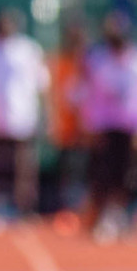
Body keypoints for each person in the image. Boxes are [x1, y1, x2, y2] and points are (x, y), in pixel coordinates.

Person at [79, 10, 137, 242]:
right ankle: (101, 217)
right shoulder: (96, 59)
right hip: (104, 127)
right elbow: (89, 94)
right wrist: (89, 124)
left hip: (132, 129)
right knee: (102, 175)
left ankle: (119, 217)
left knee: (128, 176)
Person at [0, 8, 47, 222]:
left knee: (24, 167)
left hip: (22, 118)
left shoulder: (29, 50)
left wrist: (45, 116)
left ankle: (25, 209)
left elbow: (41, 85)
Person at [46, 20, 87, 219]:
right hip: (65, 128)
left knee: (84, 169)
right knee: (66, 170)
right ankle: (66, 208)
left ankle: (81, 208)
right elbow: (53, 95)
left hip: (88, 129)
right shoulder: (58, 62)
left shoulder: (89, 63)